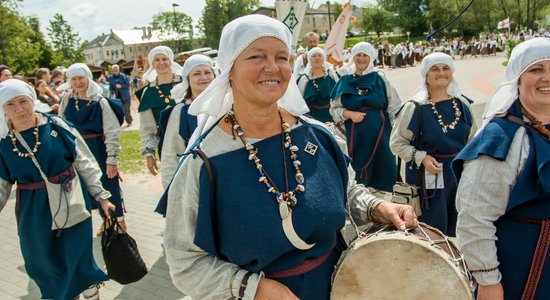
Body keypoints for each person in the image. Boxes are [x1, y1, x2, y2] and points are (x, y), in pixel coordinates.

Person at [162, 14, 418, 300]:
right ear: (228, 69)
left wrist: (375, 207)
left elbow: (346, 190)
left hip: (338, 286)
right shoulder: (205, 161)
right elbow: (184, 262)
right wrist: (253, 288)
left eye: (282, 57)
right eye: (256, 56)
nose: (272, 67)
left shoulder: (318, 135)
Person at [0, 79, 116, 300]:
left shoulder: (56, 126)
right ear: (3, 108)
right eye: (11, 104)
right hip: (34, 210)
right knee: (41, 261)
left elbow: (84, 162)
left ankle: (91, 294)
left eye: (23, 101)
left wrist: (101, 196)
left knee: (77, 259)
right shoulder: (4, 141)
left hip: (70, 198)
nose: (19, 109)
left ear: (32, 100)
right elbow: (1, 185)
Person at [453, 37, 550, 300]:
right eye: (536, 69)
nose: (546, 78)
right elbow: (474, 217)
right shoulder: (502, 137)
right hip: (525, 269)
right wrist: (488, 281)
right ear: (517, 78)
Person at [390, 52, 476, 236]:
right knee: (433, 227)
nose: (441, 73)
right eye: (434, 69)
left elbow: (472, 140)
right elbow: (396, 143)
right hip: (429, 176)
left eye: (446, 68)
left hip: (458, 174)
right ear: (426, 75)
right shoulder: (414, 108)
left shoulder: (462, 105)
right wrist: (422, 157)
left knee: (460, 222)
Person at [57, 63, 126, 236]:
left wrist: (111, 159)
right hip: (77, 151)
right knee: (87, 187)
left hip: (98, 149)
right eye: (74, 79)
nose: (78, 82)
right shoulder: (67, 100)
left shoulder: (100, 102)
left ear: (88, 78)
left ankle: (119, 221)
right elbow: (60, 124)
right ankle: (106, 219)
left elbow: (112, 131)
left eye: (81, 78)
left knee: (107, 184)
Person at [330, 42, 402, 192]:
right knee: (359, 168)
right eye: (358, 55)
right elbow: (334, 108)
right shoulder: (345, 80)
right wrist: (349, 114)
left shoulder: (380, 78)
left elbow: (395, 106)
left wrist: (396, 132)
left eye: (365, 55)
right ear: (353, 57)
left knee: (384, 166)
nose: (361, 59)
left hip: (382, 133)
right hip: (356, 135)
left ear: (371, 57)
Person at [159, 54, 215, 189]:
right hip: (195, 182)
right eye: (197, 74)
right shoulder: (181, 111)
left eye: (207, 72)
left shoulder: (227, 105)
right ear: (188, 80)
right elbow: (170, 154)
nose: (204, 77)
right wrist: (171, 189)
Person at [135, 46, 183, 175]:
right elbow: (149, 128)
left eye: (164, 59)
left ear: (170, 61)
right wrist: (149, 154)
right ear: (152, 64)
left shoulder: (185, 84)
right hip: (166, 145)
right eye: (157, 60)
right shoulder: (149, 92)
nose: (161, 63)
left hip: (189, 139)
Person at [296, 47, 339, 123]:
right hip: (313, 118)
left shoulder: (331, 74)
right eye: (314, 56)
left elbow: (338, 93)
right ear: (310, 59)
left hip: (332, 116)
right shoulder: (304, 79)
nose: (317, 58)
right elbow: (299, 100)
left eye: (319, 55)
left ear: (323, 58)